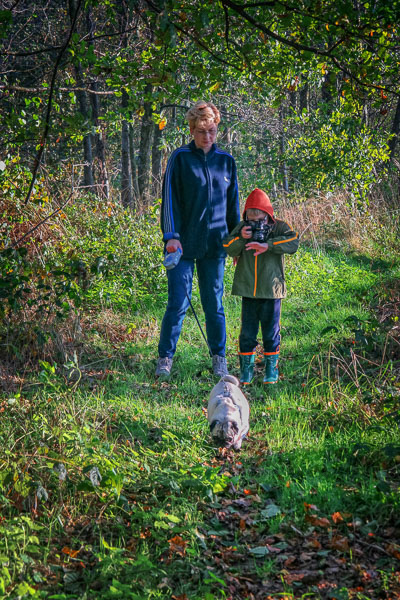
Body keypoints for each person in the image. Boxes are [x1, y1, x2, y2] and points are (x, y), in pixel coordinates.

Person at [155, 100, 240, 377]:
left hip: (215, 246)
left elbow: (233, 208)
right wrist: (171, 236)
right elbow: (170, 201)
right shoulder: (180, 158)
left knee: (214, 304)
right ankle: (165, 359)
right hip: (182, 245)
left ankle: (219, 357)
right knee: (178, 302)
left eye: (212, 130)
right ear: (192, 129)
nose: (208, 137)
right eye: (202, 131)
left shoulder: (226, 162)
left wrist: (236, 242)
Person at [222, 188, 299, 384]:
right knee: (247, 333)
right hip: (248, 290)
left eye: (260, 219)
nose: (256, 223)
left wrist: (269, 245)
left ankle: (270, 370)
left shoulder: (279, 226)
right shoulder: (242, 228)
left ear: (268, 215)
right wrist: (241, 237)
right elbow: (228, 248)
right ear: (246, 215)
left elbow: (294, 241)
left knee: (271, 331)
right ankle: (246, 371)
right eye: (251, 218)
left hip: (271, 290)